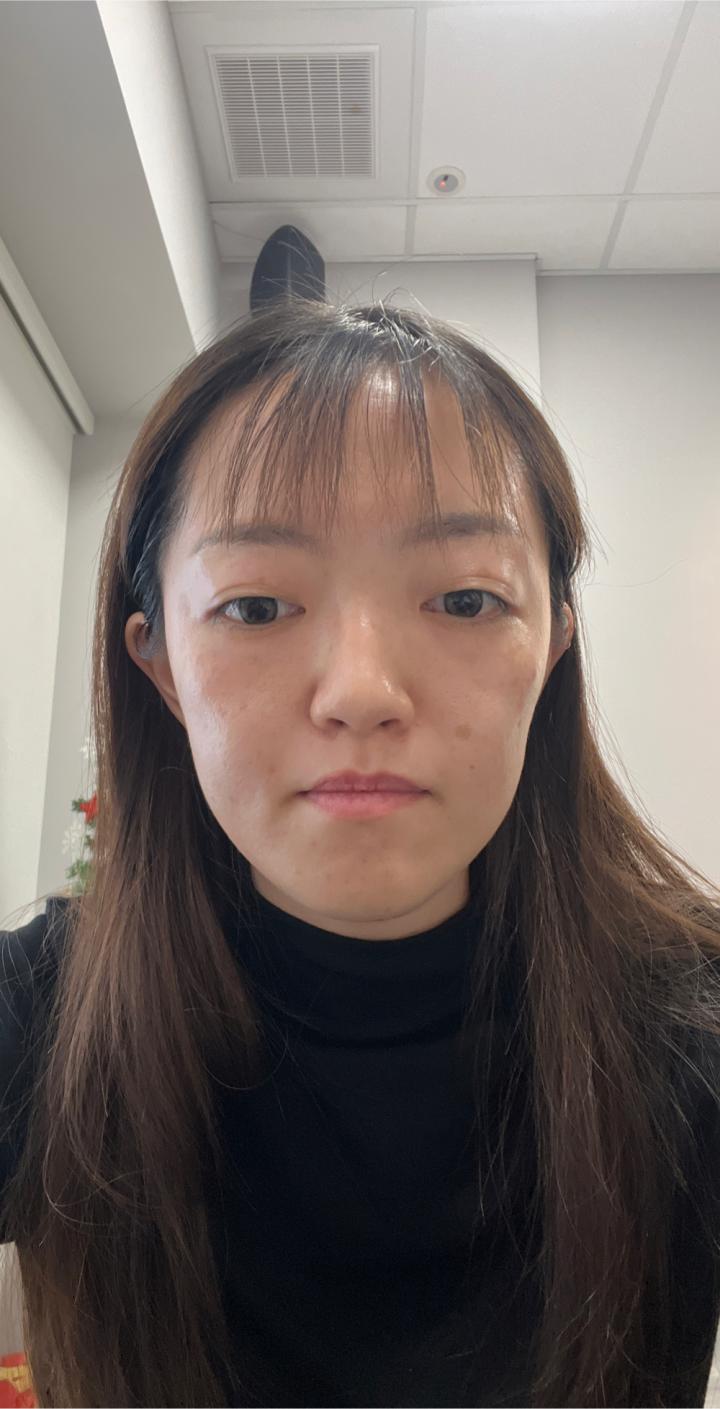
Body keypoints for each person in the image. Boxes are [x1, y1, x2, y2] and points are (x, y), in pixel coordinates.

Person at [1, 297, 719, 1408]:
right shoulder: (49, 1015)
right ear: (161, 668)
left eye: (467, 598)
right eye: (256, 607)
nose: (362, 691)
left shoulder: (691, 1024)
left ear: (553, 646)